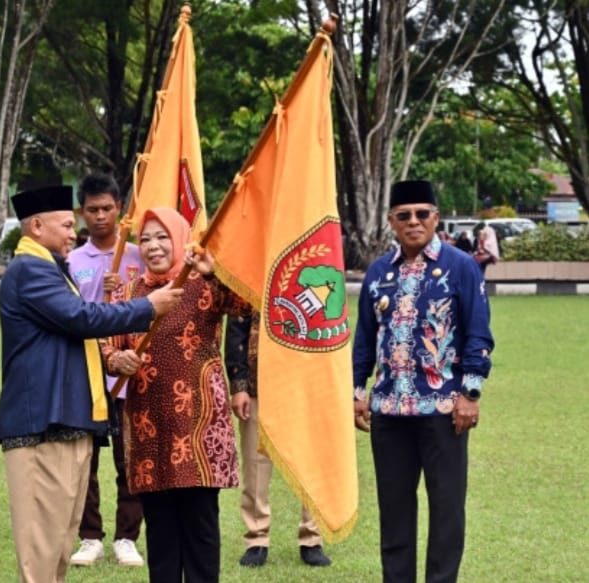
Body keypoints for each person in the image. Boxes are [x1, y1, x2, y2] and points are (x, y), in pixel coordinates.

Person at [0, 185, 183, 583]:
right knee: (43, 547)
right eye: (66, 225)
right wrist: (148, 307)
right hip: (42, 425)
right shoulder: (30, 269)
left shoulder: (51, 267)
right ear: (37, 226)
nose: (72, 233)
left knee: (60, 542)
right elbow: (82, 318)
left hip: (66, 420)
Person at [353, 180, 494, 583]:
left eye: (422, 214)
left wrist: (470, 393)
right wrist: (358, 392)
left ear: (435, 217)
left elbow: (478, 332)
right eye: (404, 216)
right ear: (391, 222)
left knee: (447, 509)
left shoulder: (460, 266)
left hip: (443, 411)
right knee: (394, 512)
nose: (413, 221)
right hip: (389, 414)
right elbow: (365, 336)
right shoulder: (380, 272)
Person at [102, 207, 250, 583]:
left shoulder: (203, 285)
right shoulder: (129, 292)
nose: (153, 246)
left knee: (201, 528)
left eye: (162, 236)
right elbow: (105, 346)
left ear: (180, 238)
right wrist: (118, 359)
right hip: (149, 428)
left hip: (199, 429)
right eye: (146, 238)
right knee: (161, 531)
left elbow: (246, 305)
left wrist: (214, 272)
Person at [67, 174, 145, 567]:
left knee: (130, 456)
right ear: (82, 214)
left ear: (119, 209)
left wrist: (128, 287)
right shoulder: (72, 261)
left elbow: (151, 301)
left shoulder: (137, 255)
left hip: (130, 373)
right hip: (88, 372)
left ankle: (127, 537)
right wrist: (103, 290)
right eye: (92, 210)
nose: (100, 216)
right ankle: (89, 536)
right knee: (87, 458)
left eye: (107, 208)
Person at [224, 313, 332, 569]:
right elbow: (236, 330)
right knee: (255, 463)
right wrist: (238, 385)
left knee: (311, 462)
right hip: (257, 381)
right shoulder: (250, 276)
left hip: (307, 382)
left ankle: (312, 538)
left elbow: (330, 327)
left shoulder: (314, 273)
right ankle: (256, 538)